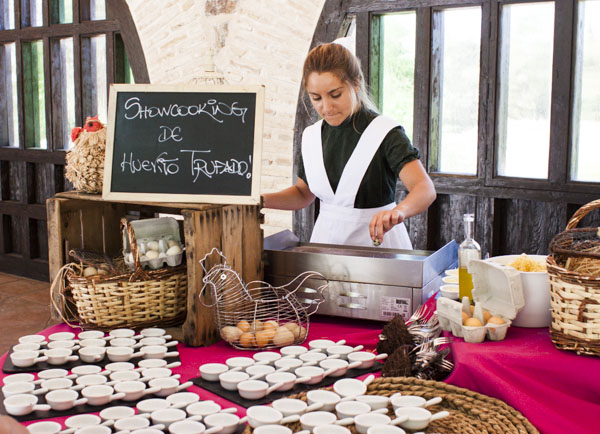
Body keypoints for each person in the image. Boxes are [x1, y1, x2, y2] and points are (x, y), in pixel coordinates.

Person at [263, 42, 436, 248]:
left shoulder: (385, 132)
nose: (326, 107)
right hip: (325, 246)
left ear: (355, 84)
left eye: (335, 94)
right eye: (316, 98)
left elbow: (424, 188)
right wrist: (260, 200)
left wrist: (399, 211)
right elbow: (303, 194)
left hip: (379, 248)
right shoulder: (311, 136)